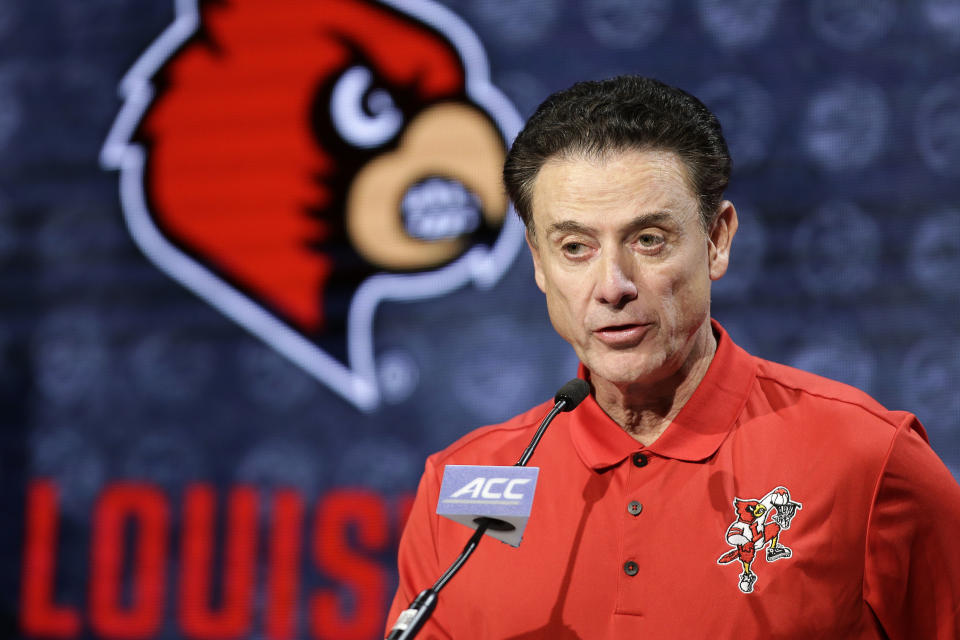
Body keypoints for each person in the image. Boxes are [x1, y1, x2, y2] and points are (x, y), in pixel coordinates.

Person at [385, 76, 960, 639]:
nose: (612, 285)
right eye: (575, 248)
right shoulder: (460, 489)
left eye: (648, 240)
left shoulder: (868, 460)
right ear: (538, 262)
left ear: (717, 240)